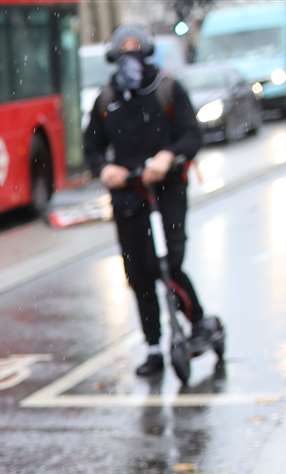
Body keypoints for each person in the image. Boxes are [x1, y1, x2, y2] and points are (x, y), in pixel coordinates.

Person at [84, 24, 209, 380]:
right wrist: (104, 168)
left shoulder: (167, 88)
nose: (130, 56)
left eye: (136, 48)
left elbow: (191, 134)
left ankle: (197, 321)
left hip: (166, 189)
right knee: (138, 271)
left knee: (170, 262)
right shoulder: (108, 99)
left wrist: (169, 156)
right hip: (127, 195)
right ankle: (153, 345)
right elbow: (91, 145)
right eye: (123, 49)